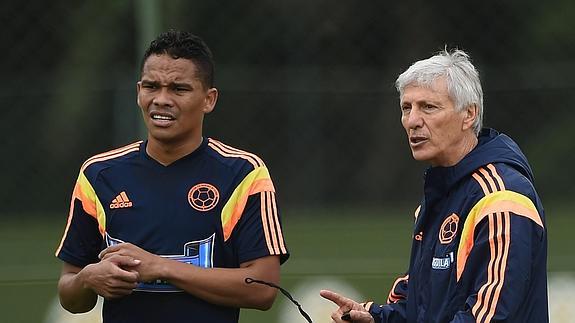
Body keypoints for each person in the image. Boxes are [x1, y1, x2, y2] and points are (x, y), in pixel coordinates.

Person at [55, 30, 289, 323]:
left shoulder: (244, 174)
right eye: (152, 86)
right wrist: (88, 278)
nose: (161, 99)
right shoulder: (98, 175)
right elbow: (70, 294)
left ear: (209, 99)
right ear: (139, 91)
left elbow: (264, 289)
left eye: (179, 89)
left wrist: (162, 267)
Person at [321, 49, 548, 322]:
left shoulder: (501, 198)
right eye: (407, 108)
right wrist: (376, 318)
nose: (413, 121)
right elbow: (420, 306)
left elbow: (491, 316)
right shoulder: (442, 193)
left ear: (469, 115)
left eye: (429, 107)